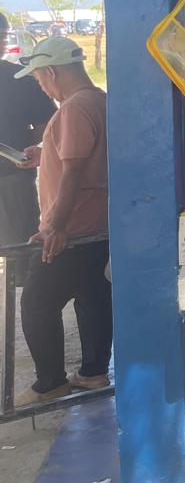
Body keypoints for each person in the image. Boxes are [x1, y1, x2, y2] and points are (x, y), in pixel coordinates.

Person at [13, 37, 111, 407]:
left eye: (39, 78)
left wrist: (55, 225)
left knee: (37, 303)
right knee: (92, 297)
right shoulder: (99, 100)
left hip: (72, 228)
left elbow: (73, 172)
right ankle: (93, 371)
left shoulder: (74, 108)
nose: (41, 86)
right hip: (96, 225)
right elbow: (83, 156)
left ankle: (50, 382)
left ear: (51, 71)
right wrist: (45, 153)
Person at [0, 13, 55, 264]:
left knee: (20, 253)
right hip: (12, 177)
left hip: (11, 179)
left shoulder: (20, 78)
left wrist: (17, 146)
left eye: (3, 37)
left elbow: (48, 124)